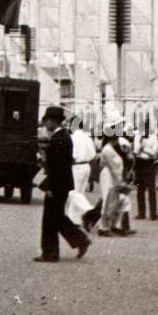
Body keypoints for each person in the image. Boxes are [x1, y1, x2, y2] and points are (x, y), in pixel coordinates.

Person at [35, 105, 90, 263]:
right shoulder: (62, 136)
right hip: (62, 183)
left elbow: (57, 167)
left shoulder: (59, 138)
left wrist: (50, 187)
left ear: (53, 121)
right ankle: (80, 240)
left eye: (46, 121)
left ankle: (50, 253)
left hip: (57, 184)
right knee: (57, 217)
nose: (45, 124)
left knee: (50, 219)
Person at [97, 128, 125, 236]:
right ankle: (103, 227)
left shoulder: (112, 149)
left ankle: (112, 224)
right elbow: (113, 166)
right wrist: (119, 181)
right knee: (107, 199)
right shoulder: (107, 150)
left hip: (113, 175)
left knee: (117, 200)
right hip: (108, 175)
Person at [134, 128, 158, 221]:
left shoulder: (154, 137)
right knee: (140, 189)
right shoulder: (138, 137)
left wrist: (144, 149)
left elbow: (154, 153)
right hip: (140, 163)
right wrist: (142, 146)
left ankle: (153, 213)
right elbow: (136, 151)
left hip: (149, 163)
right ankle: (141, 212)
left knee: (151, 189)